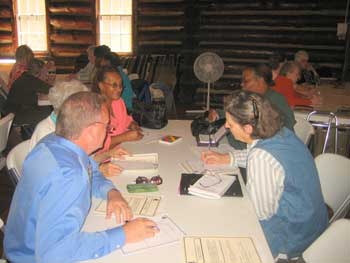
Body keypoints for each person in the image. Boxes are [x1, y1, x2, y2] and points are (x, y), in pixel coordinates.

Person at [4, 92, 159, 262]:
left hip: (23, 245)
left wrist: (111, 193)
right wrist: (124, 235)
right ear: (91, 130)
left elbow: (93, 172)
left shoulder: (55, 141)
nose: (109, 132)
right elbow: (54, 253)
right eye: (107, 127)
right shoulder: (69, 175)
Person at [201, 90, 328, 258]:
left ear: (247, 128)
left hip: (292, 236)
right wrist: (228, 158)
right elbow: (266, 157)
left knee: (213, 225)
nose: (226, 127)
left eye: (230, 125)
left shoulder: (261, 158)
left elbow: (260, 213)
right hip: (312, 226)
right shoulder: (280, 132)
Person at [29, 79, 128, 177]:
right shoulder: (46, 131)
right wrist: (99, 170)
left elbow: (86, 160)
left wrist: (108, 154)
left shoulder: (72, 126)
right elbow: (58, 176)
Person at [209, 64, 296, 149]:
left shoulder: (276, 100)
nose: (242, 84)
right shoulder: (250, 97)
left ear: (261, 81)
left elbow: (287, 129)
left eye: (246, 81)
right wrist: (217, 113)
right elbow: (236, 112)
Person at [93, 66, 143, 152]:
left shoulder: (119, 102)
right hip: (103, 158)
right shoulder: (94, 109)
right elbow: (98, 145)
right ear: (101, 86)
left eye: (120, 85)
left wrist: (132, 124)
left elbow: (125, 119)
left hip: (121, 150)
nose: (119, 89)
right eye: (114, 85)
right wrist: (125, 137)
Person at [4, 58, 52, 127]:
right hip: (16, 117)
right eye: (45, 72)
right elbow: (54, 91)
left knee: (45, 109)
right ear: (38, 73)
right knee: (48, 112)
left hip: (11, 115)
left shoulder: (25, 78)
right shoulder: (32, 81)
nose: (47, 75)